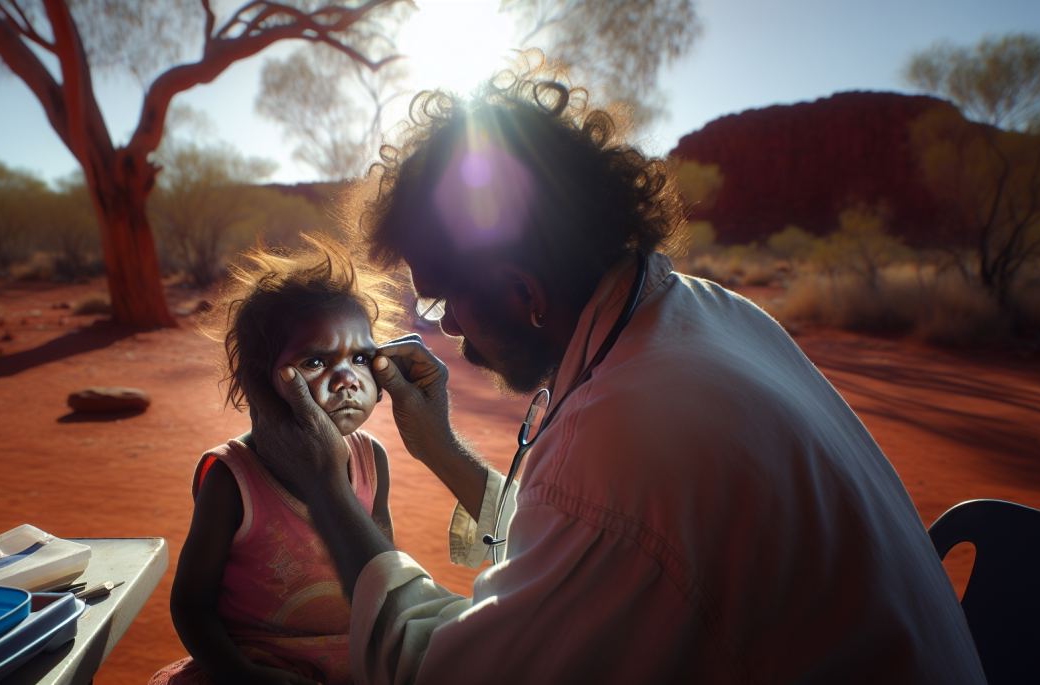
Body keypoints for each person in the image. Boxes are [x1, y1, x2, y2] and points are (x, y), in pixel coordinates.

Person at [253, 62, 986, 683]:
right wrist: (440, 446)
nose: (443, 325)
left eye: (445, 296)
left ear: (525, 294)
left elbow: (439, 670)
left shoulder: (623, 439)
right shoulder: (708, 313)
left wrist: (323, 485)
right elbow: (580, 545)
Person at [151, 238, 397, 685]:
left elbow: (384, 572)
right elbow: (192, 605)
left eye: (361, 357)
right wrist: (243, 674)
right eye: (316, 361)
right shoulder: (233, 478)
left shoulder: (371, 459)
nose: (347, 380)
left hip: (356, 659)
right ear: (259, 378)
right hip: (261, 665)